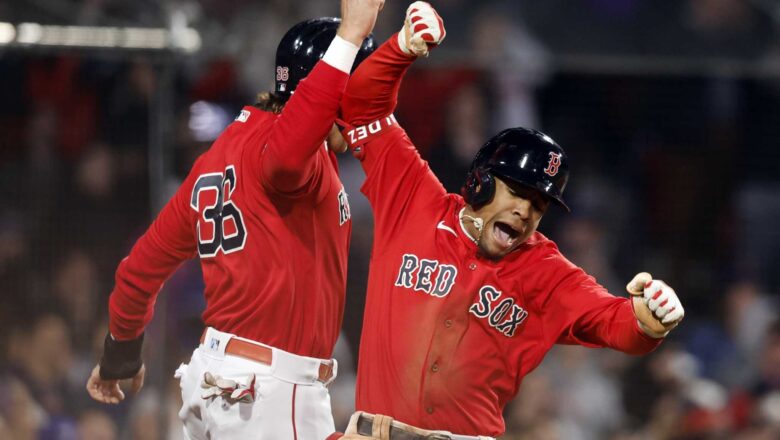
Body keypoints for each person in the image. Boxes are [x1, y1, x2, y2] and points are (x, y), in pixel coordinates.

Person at [335, 2, 685, 439]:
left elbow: (613, 321)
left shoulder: (545, 271)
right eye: (518, 191)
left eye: (540, 204)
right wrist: (400, 48)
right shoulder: (414, 200)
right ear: (480, 181)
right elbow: (363, 107)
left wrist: (648, 321)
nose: (526, 210)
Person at [85, 0, 383, 438]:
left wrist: (121, 356)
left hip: (216, 381)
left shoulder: (220, 154)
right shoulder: (293, 158)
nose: (370, 105)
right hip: (271, 393)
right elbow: (286, 155)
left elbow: (139, 271)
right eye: (359, 86)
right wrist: (349, 37)